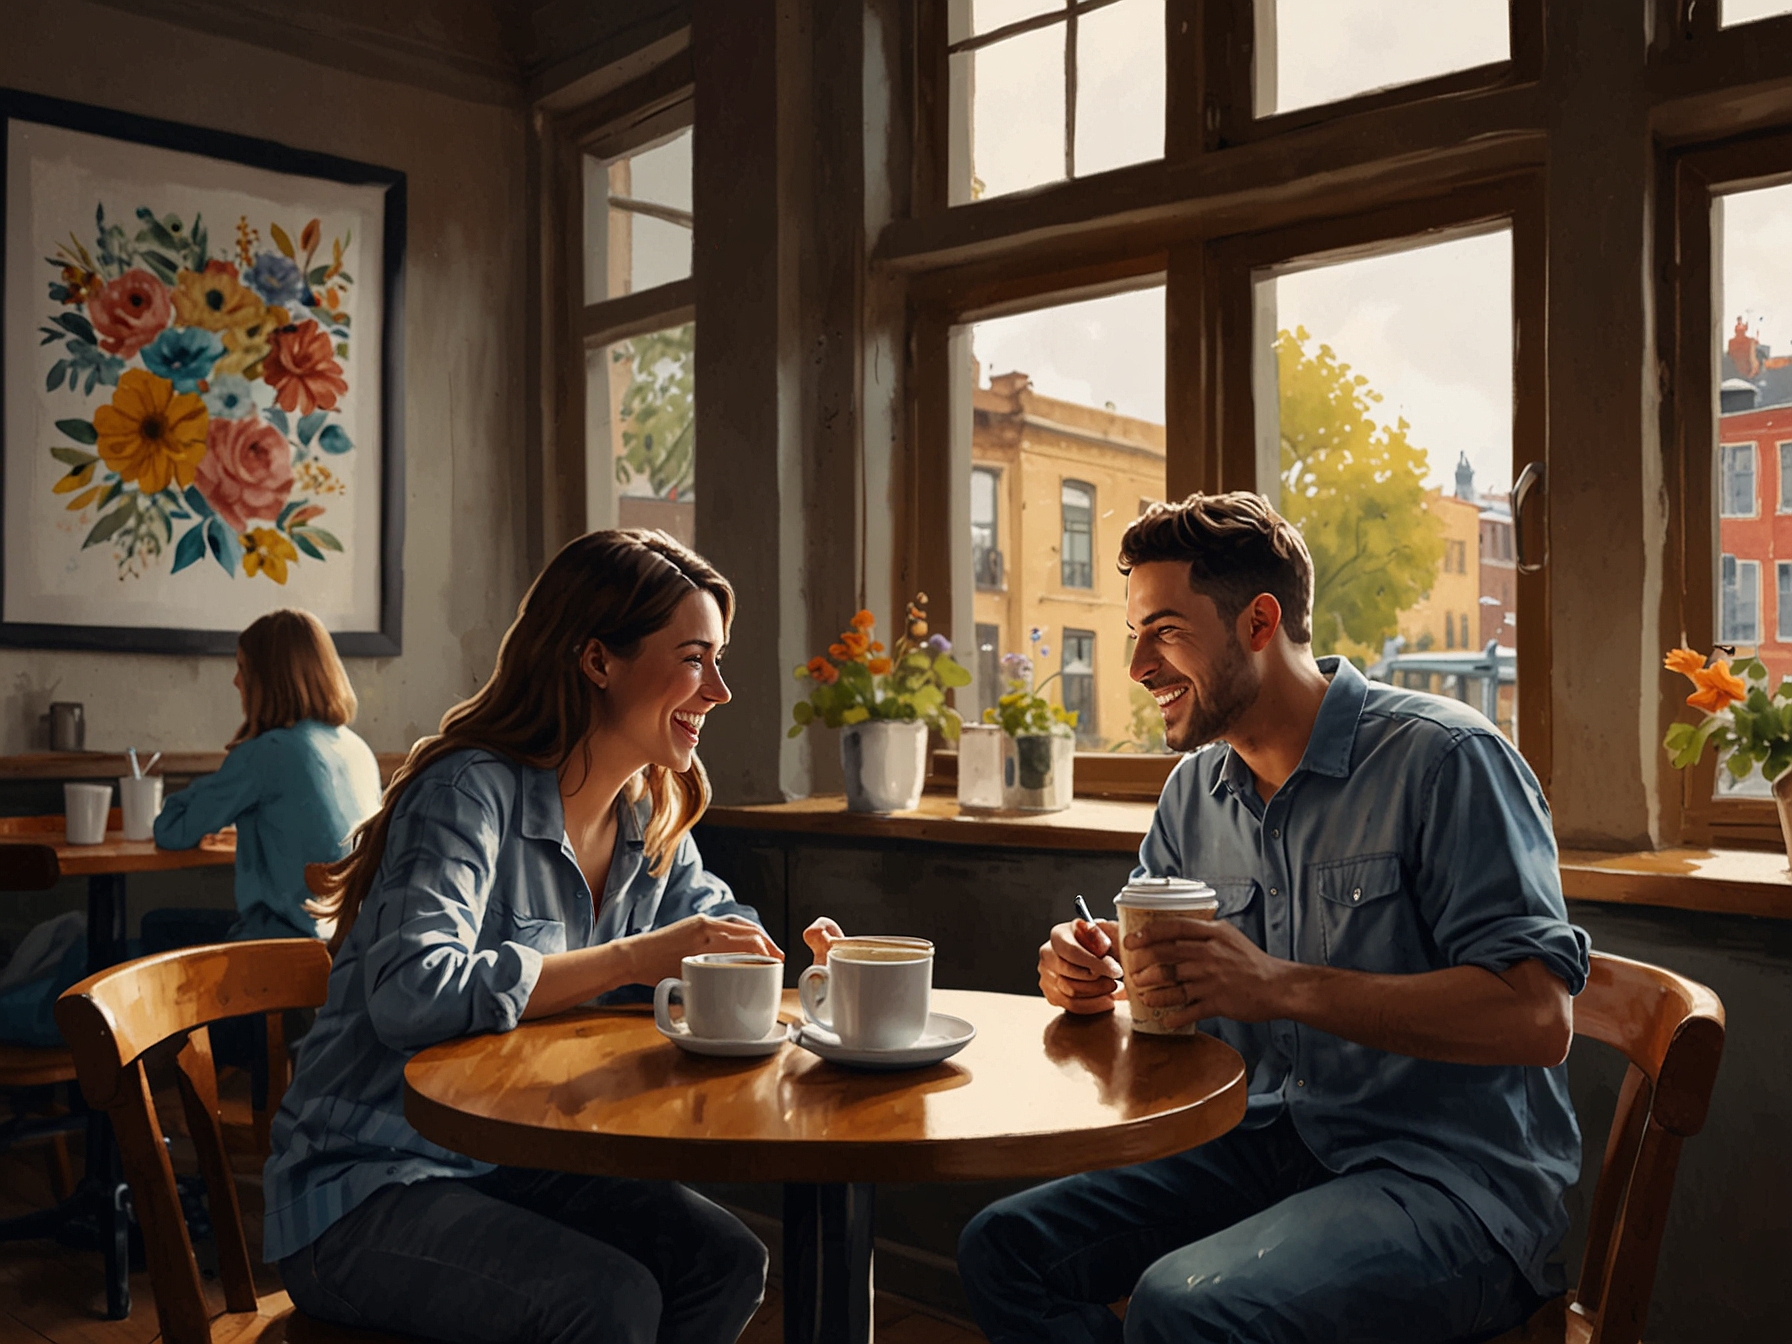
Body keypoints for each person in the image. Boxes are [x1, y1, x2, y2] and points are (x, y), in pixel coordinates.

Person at [957, 492, 1591, 1344]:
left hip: (1451, 1185)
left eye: (1166, 631)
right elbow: (1162, 1001)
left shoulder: (1448, 760)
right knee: (1003, 1249)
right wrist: (1097, 981)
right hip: (1261, 1148)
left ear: (1259, 621)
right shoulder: (1193, 795)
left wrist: (1280, 987)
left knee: (1185, 1305)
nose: (1138, 666)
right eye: (1134, 633)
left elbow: (1538, 1018)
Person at [266, 530, 776, 1344]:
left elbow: (718, 928)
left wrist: (782, 958)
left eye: (718, 659)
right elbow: (411, 994)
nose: (718, 689)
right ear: (597, 659)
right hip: (365, 1186)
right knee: (606, 1302)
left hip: (515, 1167)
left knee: (726, 1262)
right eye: (694, 658)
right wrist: (640, 957)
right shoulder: (468, 793)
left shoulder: (652, 812)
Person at [150, 607, 383, 945]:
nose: (235, 681)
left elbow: (171, 831)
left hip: (279, 948)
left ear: (269, 679)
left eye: (242, 668)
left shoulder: (268, 752)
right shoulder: (358, 750)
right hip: (348, 948)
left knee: (156, 927)